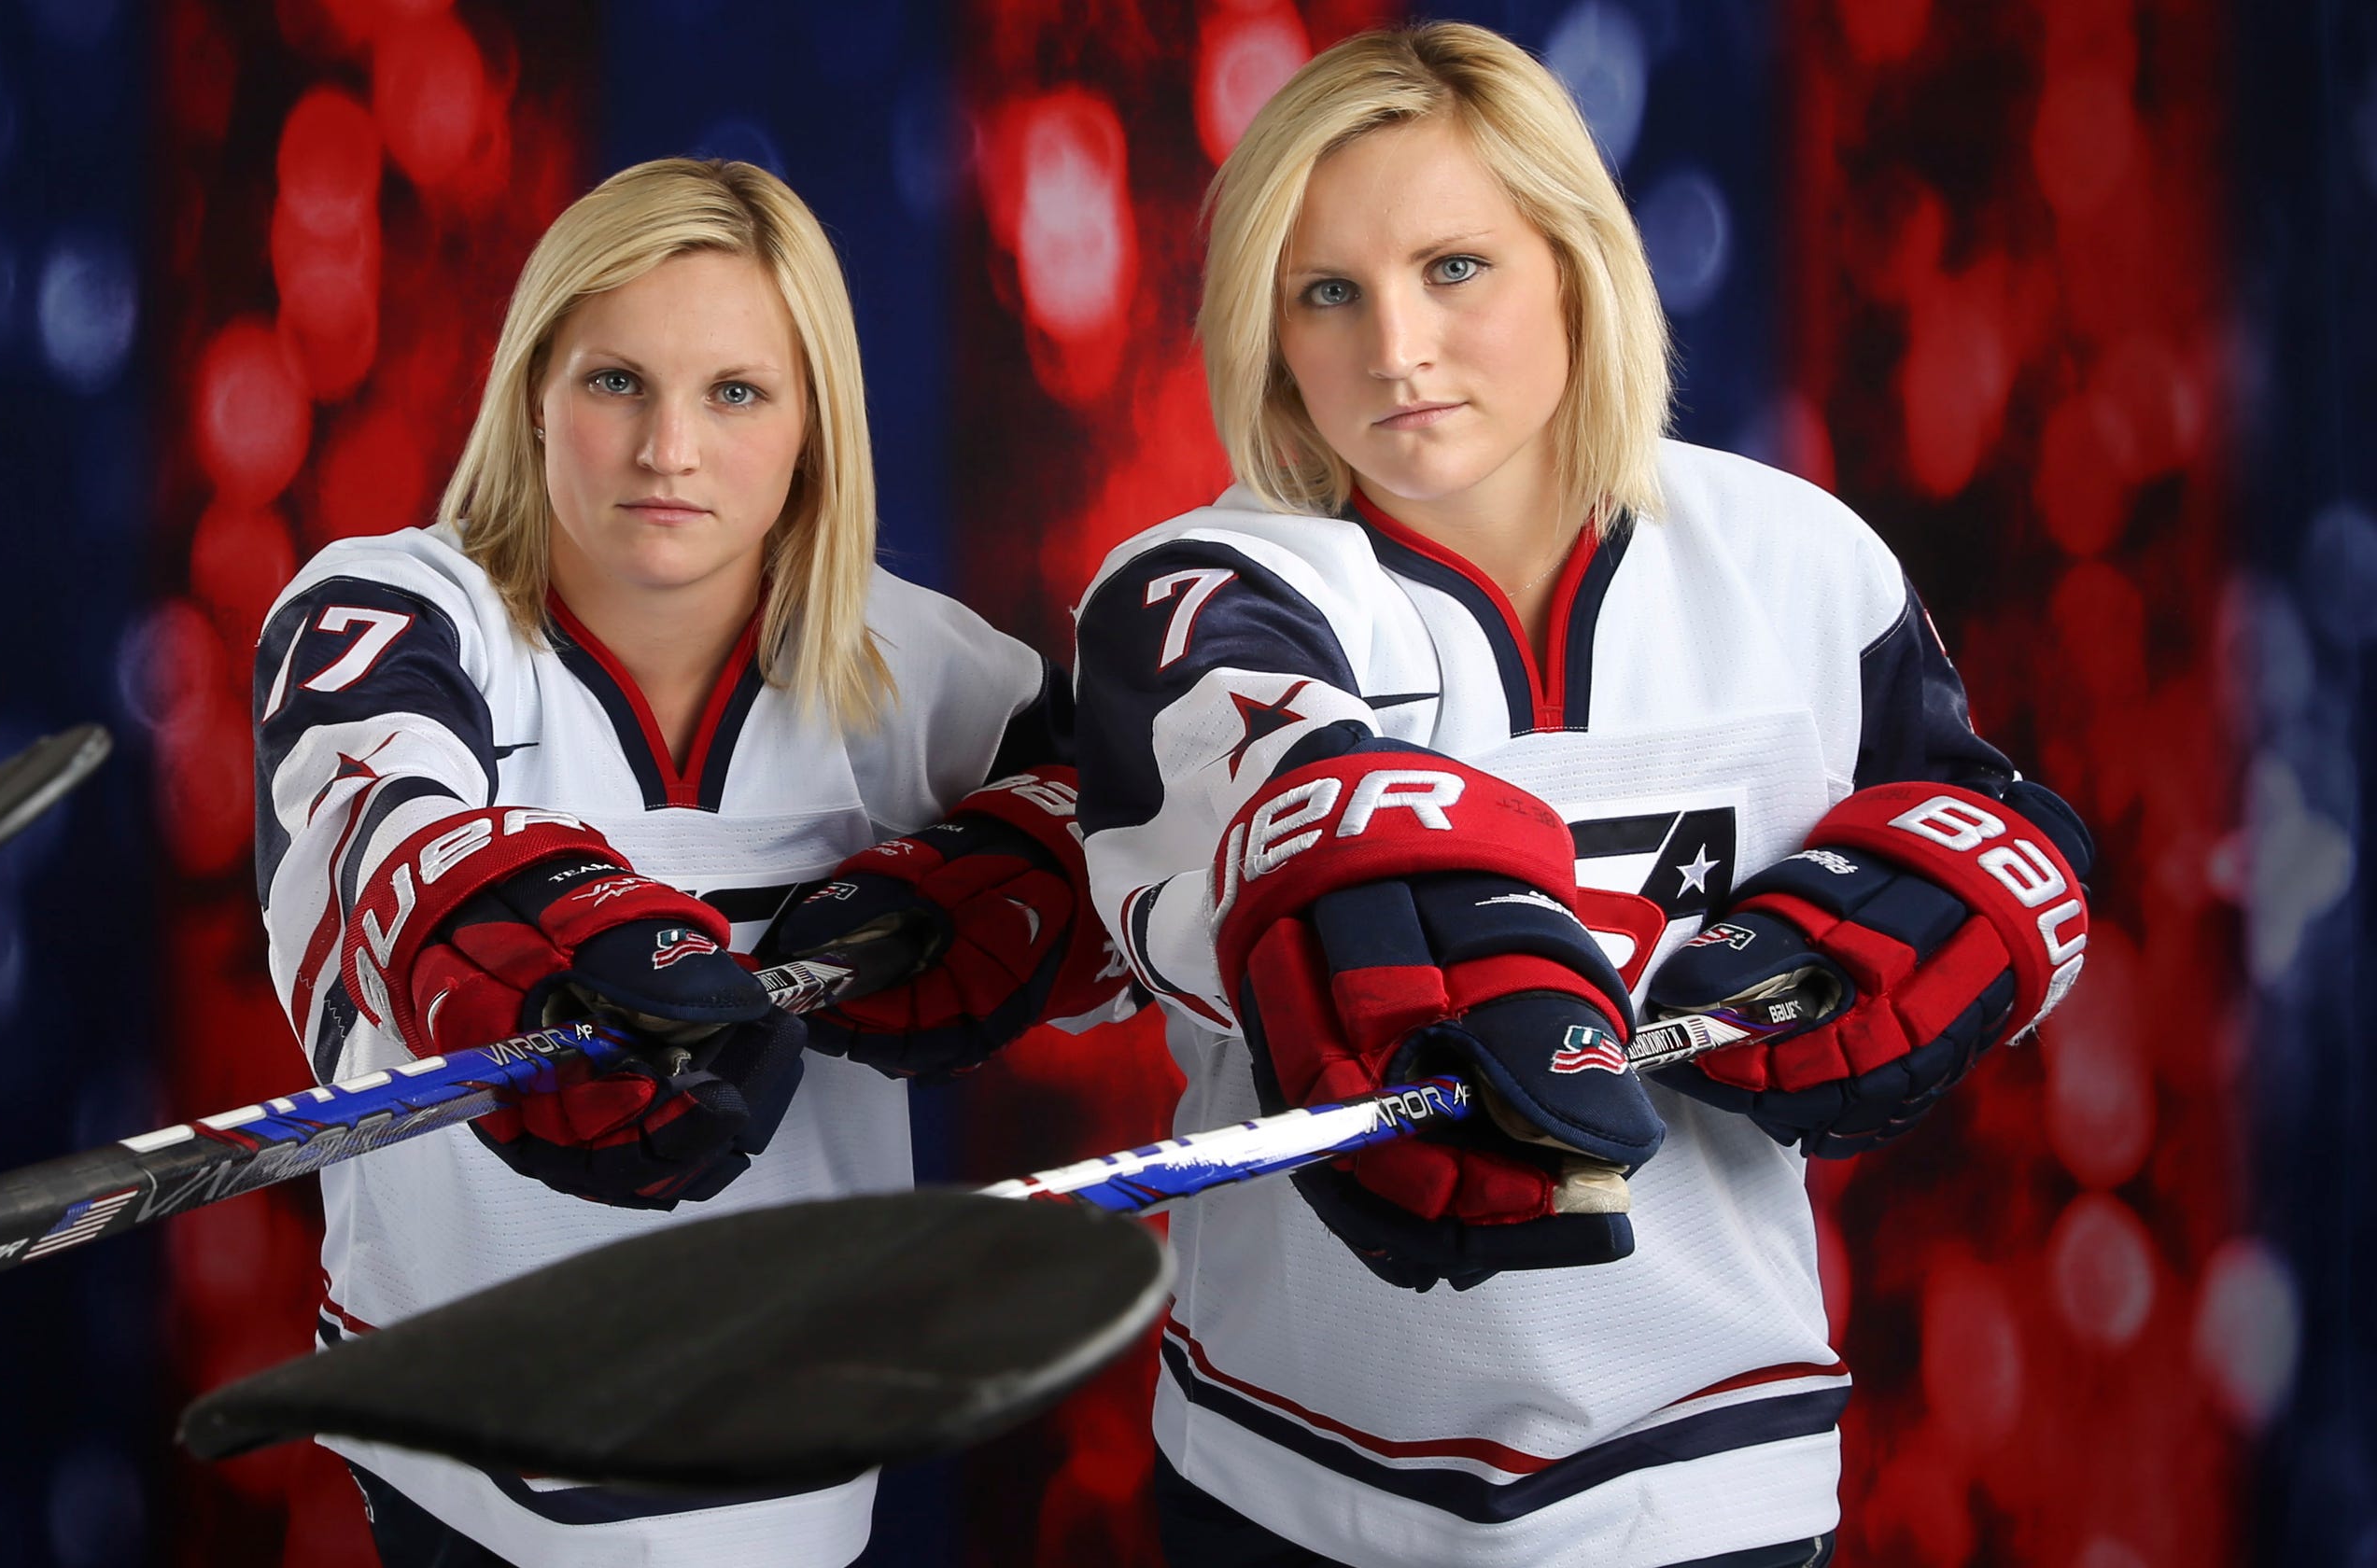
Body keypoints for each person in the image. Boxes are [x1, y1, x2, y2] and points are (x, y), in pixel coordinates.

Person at [1070, 23, 2091, 1568]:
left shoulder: (1798, 559)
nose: (1394, 348)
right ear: (1265, 328)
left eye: (1455, 269)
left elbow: (1992, 839)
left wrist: (1968, 918)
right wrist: (1375, 937)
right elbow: (1271, 790)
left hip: (1716, 1473)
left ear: (1574, 260)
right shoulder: (1207, 586)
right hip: (1298, 1482)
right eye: (1326, 291)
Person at [251, 157, 1129, 1567]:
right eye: (616, 383)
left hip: (792, 1453)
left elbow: (1154, 882)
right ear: (534, 389)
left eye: (735, 392)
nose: (671, 448)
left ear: (811, 427)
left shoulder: (922, 667)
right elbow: (384, 831)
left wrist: (1020, 884)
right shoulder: (394, 611)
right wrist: (543, 943)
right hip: (464, 1440)